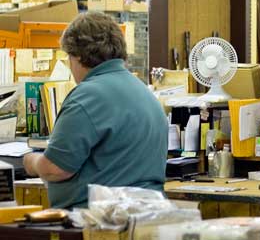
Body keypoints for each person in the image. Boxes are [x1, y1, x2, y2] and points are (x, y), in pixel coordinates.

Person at [23, 11, 168, 209]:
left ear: (79, 56)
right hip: (144, 214)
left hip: (96, 219)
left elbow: (55, 169)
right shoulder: (143, 92)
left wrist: (32, 161)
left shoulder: (87, 96)